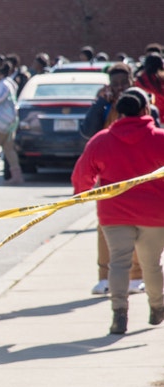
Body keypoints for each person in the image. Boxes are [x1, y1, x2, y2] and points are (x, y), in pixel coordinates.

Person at [71, 87, 164, 334]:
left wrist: (80, 194)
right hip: (154, 215)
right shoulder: (159, 139)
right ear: (146, 110)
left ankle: (119, 314)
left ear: (119, 112)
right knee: (151, 265)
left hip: (114, 214)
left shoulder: (101, 140)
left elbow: (83, 175)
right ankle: (157, 307)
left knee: (118, 264)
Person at [80, 62, 147, 296]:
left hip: (139, 176)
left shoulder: (142, 103)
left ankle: (136, 277)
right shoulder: (106, 104)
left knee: (139, 226)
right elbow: (89, 131)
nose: (120, 88)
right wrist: (100, 103)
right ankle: (103, 277)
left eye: (123, 83)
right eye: (115, 84)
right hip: (109, 179)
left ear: (131, 81)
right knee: (104, 227)